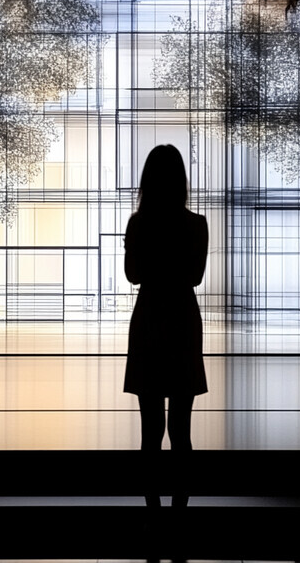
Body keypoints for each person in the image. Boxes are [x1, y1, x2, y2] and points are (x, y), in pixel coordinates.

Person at [123, 144, 208, 508]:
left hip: (149, 315)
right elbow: (195, 276)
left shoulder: (138, 223)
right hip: (182, 318)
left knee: (150, 428)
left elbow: (132, 275)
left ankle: (152, 506)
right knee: (181, 429)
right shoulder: (196, 224)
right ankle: (180, 506)